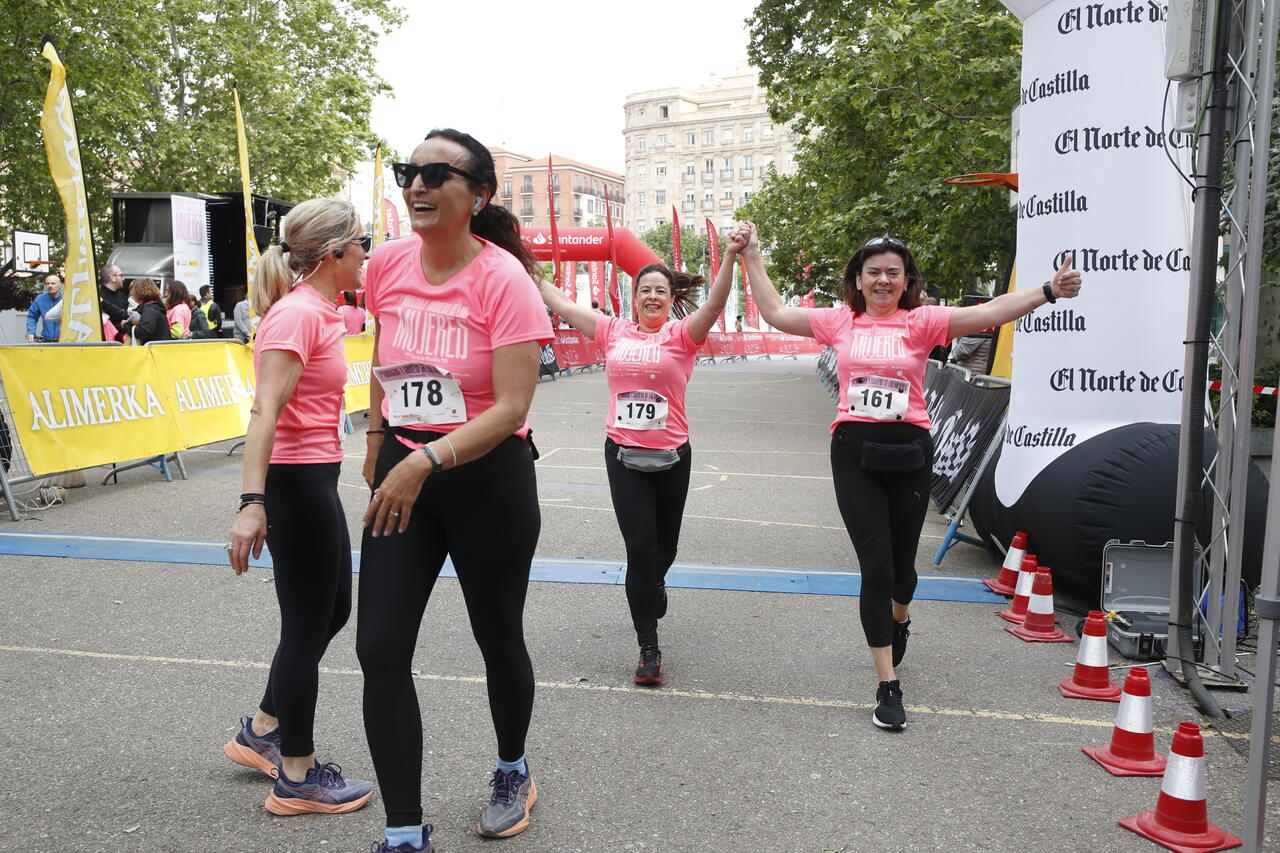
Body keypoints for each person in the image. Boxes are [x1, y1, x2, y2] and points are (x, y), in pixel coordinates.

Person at [736, 224, 1082, 731]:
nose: (882, 281)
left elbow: (987, 313)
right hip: (853, 452)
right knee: (875, 568)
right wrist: (753, 257)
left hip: (909, 453)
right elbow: (776, 313)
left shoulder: (922, 322)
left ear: (905, 280)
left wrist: (1047, 291)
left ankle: (900, 617)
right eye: (872, 272)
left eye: (891, 274)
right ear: (857, 278)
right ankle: (887, 685)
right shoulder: (840, 321)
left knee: (902, 573)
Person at [358, 128, 552, 852]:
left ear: (480, 195)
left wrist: (424, 460)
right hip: (404, 474)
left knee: (497, 638)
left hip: (487, 481)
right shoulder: (386, 266)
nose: (418, 185)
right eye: (411, 171)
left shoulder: (504, 280)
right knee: (378, 647)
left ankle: (512, 768)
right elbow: (384, 354)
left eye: (438, 173)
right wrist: (380, 446)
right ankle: (405, 832)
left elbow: (510, 407)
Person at [223, 197, 374, 815]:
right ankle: (297, 775)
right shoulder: (294, 318)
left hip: (314, 479)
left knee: (332, 610)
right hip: (292, 484)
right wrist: (251, 503)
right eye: (361, 242)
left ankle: (261, 729)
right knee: (307, 624)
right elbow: (263, 413)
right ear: (334, 253)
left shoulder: (323, 310)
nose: (367, 252)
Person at [537, 253, 735, 687]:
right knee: (641, 550)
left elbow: (715, 305)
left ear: (669, 300)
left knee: (664, 551)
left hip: (672, 457)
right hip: (624, 456)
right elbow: (564, 304)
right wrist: (529, 270)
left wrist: (733, 258)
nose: (651, 296)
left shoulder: (682, 335)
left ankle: (654, 586)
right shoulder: (613, 331)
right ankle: (649, 648)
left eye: (659, 291)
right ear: (634, 297)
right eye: (644, 289)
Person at [121, 279, 168, 344]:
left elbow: (143, 332)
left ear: (139, 291)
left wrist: (125, 326)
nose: (132, 294)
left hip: (153, 351)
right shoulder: (155, 305)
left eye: (133, 290)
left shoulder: (150, 310)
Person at [26, 274, 62, 342]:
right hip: (47, 341)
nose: (50, 286)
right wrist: (30, 331)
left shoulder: (66, 299)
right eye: (47, 283)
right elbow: (32, 316)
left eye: (53, 283)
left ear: (59, 285)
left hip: (64, 341)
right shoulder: (39, 299)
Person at [99, 265, 129, 339]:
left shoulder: (122, 296)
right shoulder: (98, 297)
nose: (123, 278)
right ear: (113, 278)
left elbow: (127, 315)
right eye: (121, 275)